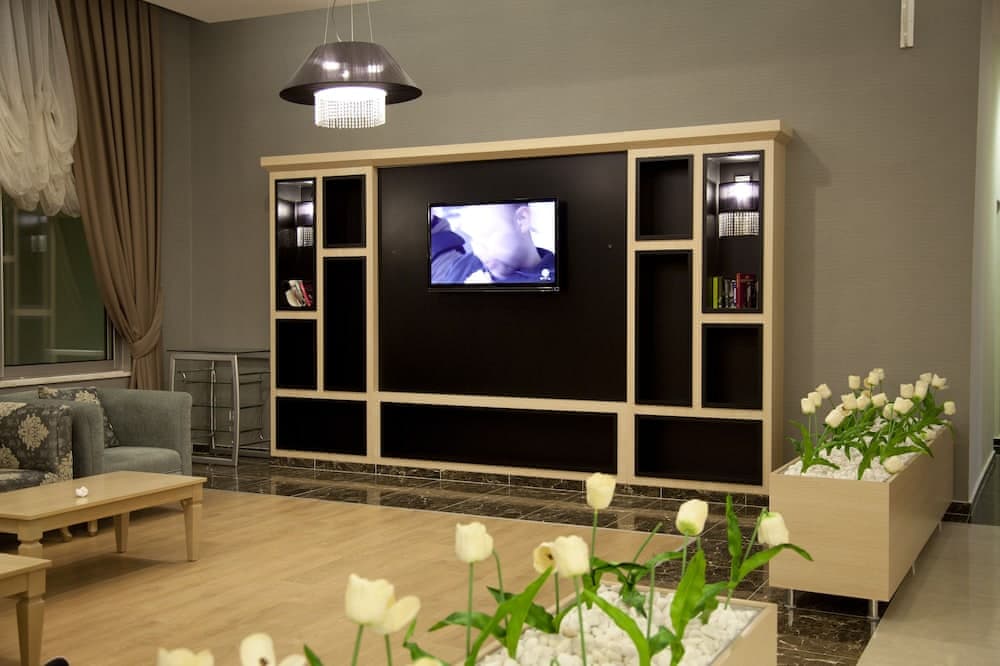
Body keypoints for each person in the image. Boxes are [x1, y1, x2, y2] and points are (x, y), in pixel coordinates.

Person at [460, 202, 555, 284]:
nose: (478, 251)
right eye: (472, 238)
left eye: (485, 234)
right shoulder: (464, 267)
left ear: (522, 219)